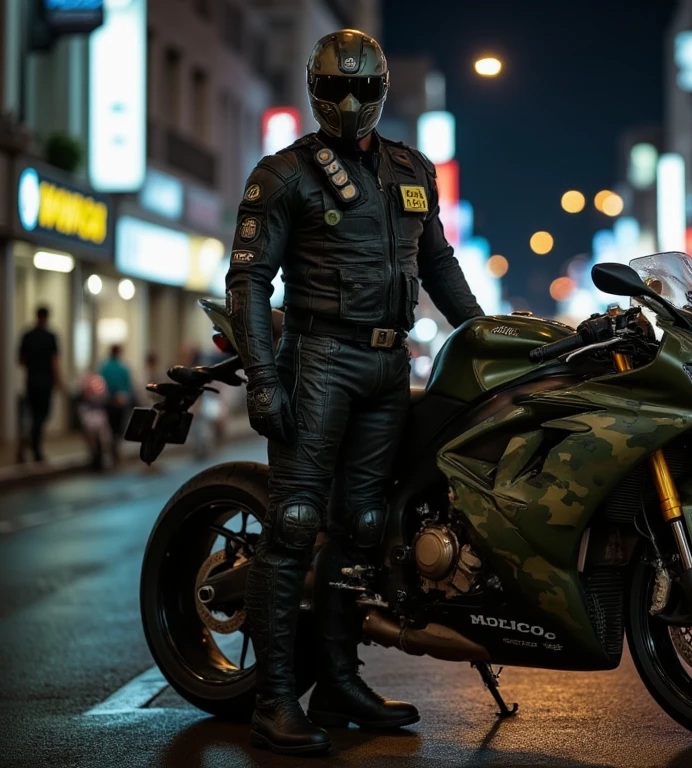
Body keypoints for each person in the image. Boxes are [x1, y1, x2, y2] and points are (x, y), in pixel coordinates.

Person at [225, 29, 483, 756]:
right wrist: (262, 376)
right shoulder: (282, 174)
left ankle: (338, 681)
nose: (350, 101)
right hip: (319, 360)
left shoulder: (413, 168)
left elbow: (438, 265)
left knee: (365, 526)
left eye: (364, 88)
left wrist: (488, 333)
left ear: (382, 88)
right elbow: (248, 280)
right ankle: (275, 700)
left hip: (386, 366)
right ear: (314, 90)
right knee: (297, 523)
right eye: (337, 88)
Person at [18, 306, 62, 463]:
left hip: (31, 381)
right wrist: (58, 381)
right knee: (41, 417)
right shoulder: (50, 337)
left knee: (32, 415)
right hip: (45, 382)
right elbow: (54, 361)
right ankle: (35, 448)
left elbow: (21, 360)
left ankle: (27, 445)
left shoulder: (27, 335)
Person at [99, 344, 134, 465]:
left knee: (110, 428)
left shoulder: (104, 367)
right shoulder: (122, 368)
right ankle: (115, 452)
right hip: (119, 401)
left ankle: (112, 451)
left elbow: (102, 384)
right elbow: (128, 385)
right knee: (118, 429)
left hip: (109, 401)